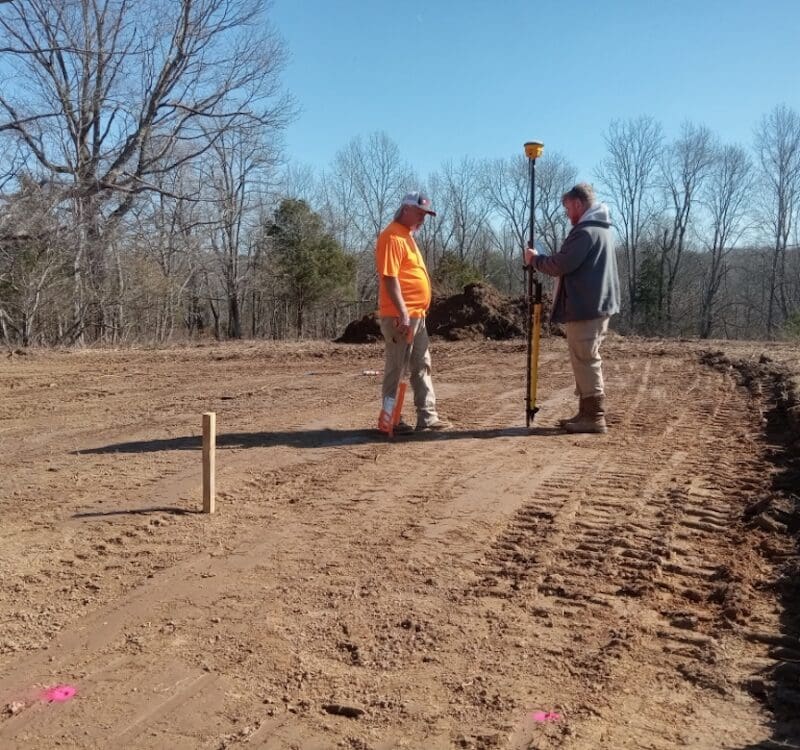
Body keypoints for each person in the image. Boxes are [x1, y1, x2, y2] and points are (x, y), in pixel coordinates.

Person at [524, 182, 620, 434]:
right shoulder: (602, 229)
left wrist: (535, 260)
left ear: (578, 204)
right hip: (595, 305)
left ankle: (594, 416)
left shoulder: (585, 232)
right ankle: (586, 412)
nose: (567, 213)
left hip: (586, 306)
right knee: (584, 358)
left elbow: (562, 264)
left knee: (585, 358)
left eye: (568, 207)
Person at [375, 191, 450, 433]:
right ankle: (390, 419)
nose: (423, 219)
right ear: (406, 210)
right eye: (420, 213)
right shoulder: (392, 237)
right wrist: (402, 312)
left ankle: (427, 417)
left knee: (421, 364)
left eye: (426, 215)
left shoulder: (407, 236)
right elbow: (390, 277)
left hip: (417, 314)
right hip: (401, 316)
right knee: (396, 367)